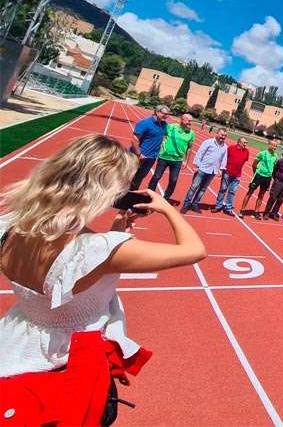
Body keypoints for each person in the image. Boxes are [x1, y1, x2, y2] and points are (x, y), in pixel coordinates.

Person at [0, 134, 206, 380]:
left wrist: (116, 232)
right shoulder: (99, 249)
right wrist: (166, 207)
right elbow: (195, 250)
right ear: (106, 191)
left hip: (15, 342)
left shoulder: (9, 225)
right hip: (67, 361)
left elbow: (83, 268)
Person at [147, 113, 196, 202]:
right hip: (164, 157)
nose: (190, 123)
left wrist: (186, 161)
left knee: (173, 180)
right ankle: (149, 195)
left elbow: (189, 148)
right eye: (188, 120)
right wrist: (161, 148)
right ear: (182, 119)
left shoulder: (191, 133)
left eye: (191, 121)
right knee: (156, 177)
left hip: (177, 160)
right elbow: (163, 136)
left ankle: (166, 198)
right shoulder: (171, 127)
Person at [181, 128, 228, 213]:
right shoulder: (208, 142)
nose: (223, 137)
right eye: (222, 135)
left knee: (203, 189)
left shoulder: (225, 147)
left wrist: (221, 169)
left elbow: (224, 159)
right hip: (202, 168)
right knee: (194, 187)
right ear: (217, 133)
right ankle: (186, 204)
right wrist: (196, 165)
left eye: (225, 135)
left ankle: (195, 204)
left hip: (213, 171)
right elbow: (200, 153)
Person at [129, 105, 170, 190]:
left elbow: (164, 137)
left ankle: (131, 194)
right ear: (156, 112)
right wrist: (139, 154)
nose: (166, 116)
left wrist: (161, 149)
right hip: (139, 156)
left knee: (140, 177)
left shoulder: (164, 124)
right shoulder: (145, 122)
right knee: (130, 176)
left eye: (167, 114)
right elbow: (134, 139)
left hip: (152, 157)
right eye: (164, 114)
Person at [238, 140, 279, 219]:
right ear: (269, 145)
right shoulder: (262, 153)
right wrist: (256, 173)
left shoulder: (275, 156)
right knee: (250, 192)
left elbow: (273, 167)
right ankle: (242, 210)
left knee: (261, 195)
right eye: (273, 145)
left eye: (276, 146)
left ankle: (256, 212)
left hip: (268, 178)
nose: (275, 147)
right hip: (258, 176)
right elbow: (254, 164)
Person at [213, 137, 250, 216]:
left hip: (237, 175)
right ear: (239, 143)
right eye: (244, 143)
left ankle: (228, 208)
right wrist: (221, 169)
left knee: (232, 192)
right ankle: (218, 206)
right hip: (227, 173)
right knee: (223, 189)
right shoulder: (230, 148)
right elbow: (224, 158)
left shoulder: (246, 151)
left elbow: (244, 160)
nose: (246, 144)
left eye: (246, 143)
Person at [263, 147, 283, 220]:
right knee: (273, 198)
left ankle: (274, 213)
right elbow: (274, 170)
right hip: (278, 182)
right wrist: (276, 179)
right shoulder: (280, 161)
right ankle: (266, 213)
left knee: (280, 199)